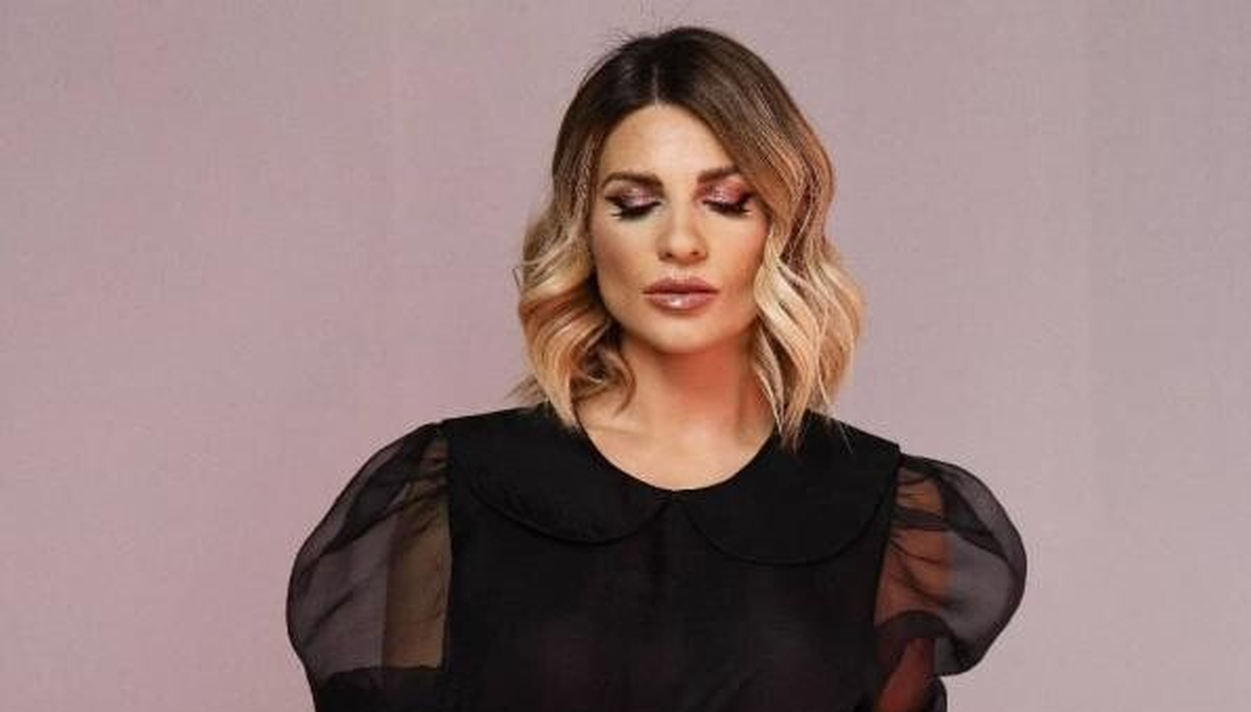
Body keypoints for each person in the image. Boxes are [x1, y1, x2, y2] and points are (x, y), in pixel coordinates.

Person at [285, 24, 1026, 712]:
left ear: (782, 225)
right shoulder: (448, 490)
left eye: (726, 202)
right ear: (585, 229)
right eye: (635, 204)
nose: (680, 241)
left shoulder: (882, 507)